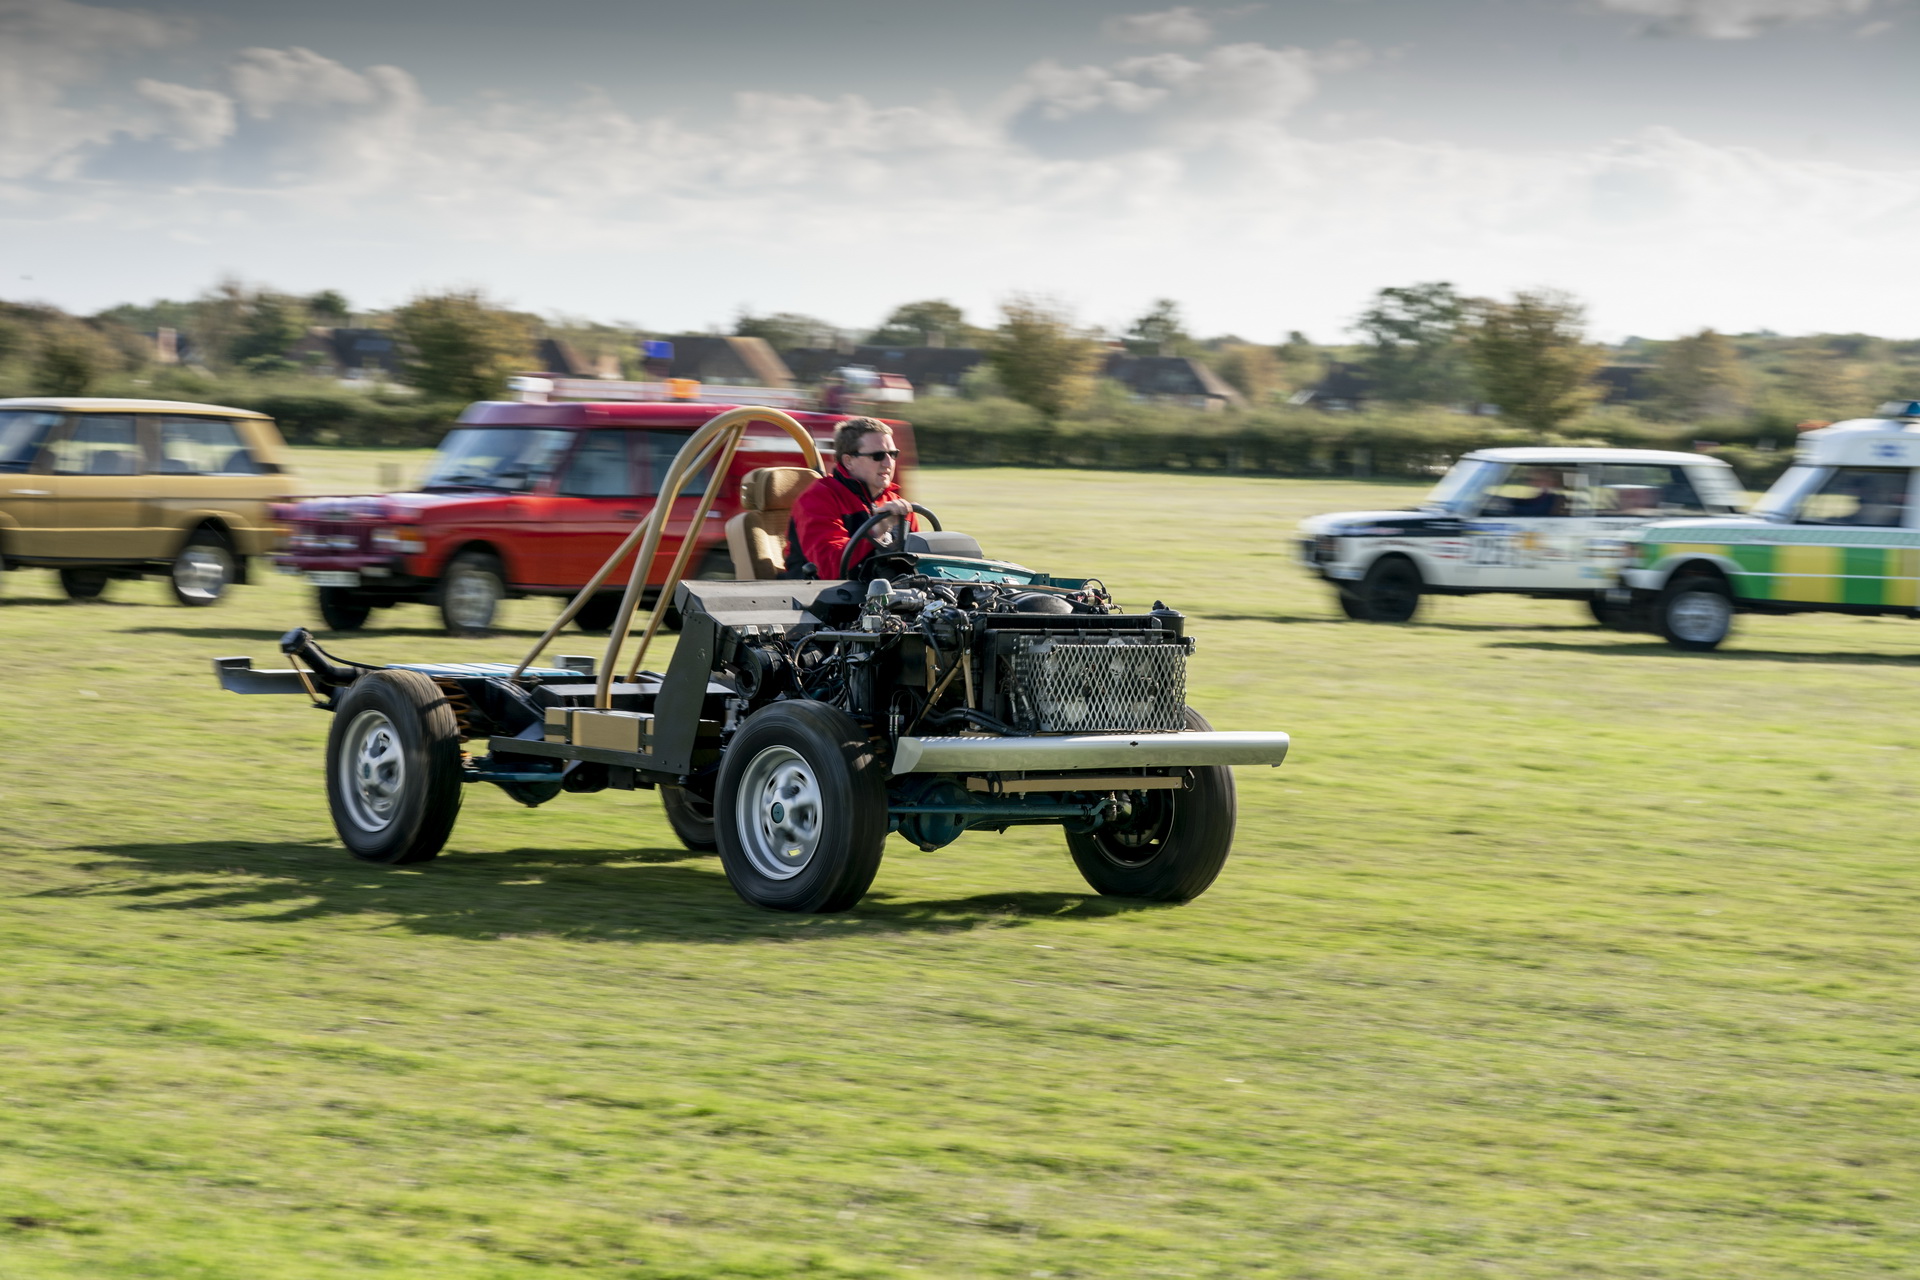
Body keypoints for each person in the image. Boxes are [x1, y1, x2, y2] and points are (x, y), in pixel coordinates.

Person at [787, 416, 916, 576]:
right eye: (878, 456)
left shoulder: (896, 504)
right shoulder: (817, 499)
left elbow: (921, 559)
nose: (888, 463)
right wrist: (876, 533)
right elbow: (830, 568)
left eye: (893, 454)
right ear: (848, 461)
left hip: (881, 592)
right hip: (815, 594)